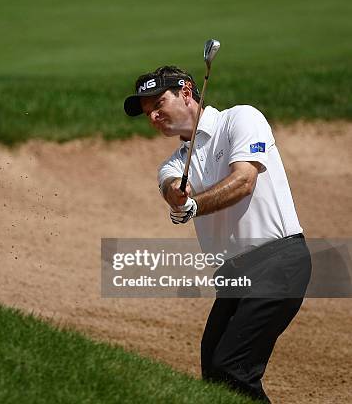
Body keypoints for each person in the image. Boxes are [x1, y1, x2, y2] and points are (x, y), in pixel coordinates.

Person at [123, 66, 312, 402]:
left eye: (158, 102)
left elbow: (244, 180)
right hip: (234, 278)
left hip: (278, 260)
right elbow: (172, 187)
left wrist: (194, 204)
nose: (153, 115)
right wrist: (178, 196)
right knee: (214, 374)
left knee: (232, 368)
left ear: (186, 92)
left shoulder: (240, 119)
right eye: (147, 111)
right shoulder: (172, 164)